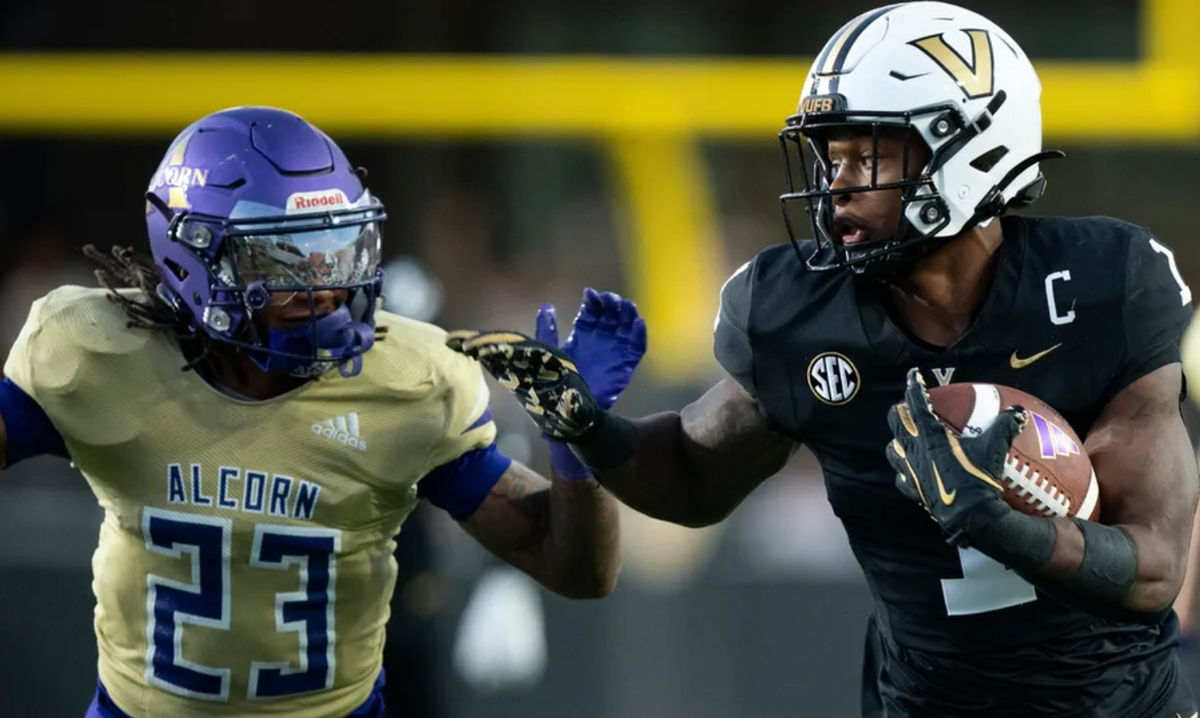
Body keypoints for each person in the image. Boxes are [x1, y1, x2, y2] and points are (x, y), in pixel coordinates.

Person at [451, 3, 1200, 716]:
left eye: (867, 154)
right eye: (830, 156)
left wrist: (998, 524)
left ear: (970, 145)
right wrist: (589, 427)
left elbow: (1155, 567)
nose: (836, 184)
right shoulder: (800, 309)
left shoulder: (1101, 284)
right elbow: (690, 477)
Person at [0, 106, 629, 718]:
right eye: (283, 257)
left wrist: (580, 441)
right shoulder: (96, 357)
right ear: (193, 255)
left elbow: (577, 569)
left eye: (337, 247)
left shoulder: (408, 380)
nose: (324, 286)